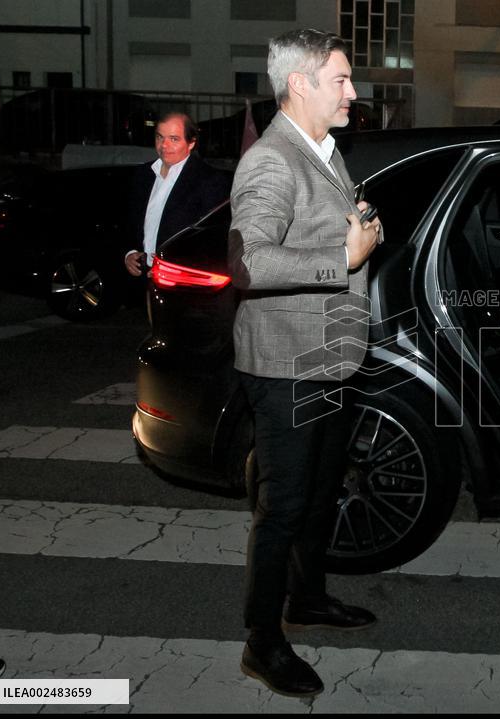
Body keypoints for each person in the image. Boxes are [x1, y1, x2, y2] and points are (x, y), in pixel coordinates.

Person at [227, 28, 382, 697]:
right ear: (300, 84)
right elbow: (248, 261)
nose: (353, 91)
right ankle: (262, 642)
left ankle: (307, 597)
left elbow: (333, 228)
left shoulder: (324, 149)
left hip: (326, 358)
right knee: (283, 508)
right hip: (286, 365)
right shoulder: (271, 160)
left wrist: (363, 226)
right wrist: (342, 259)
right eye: (341, 79)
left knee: (321, 495)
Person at [124, 111, 229, 277]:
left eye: (173, 139)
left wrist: (172, 268)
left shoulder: (209, 180)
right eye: (160, 137)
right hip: (140, 278)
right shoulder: (143, 174)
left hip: (180, 280)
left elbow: (213, 238)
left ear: (191, 142)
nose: (164, 145)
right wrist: (129, 253)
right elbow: (128, 222)